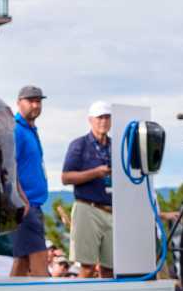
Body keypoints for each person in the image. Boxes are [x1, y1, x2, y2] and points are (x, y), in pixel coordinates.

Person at [59, 100, 116, 279]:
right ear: (90, 120)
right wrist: (95, 173)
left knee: (110, 268)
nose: (103, 121)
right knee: (87, 267)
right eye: (100, 117)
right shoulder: (79, 144)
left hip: (112, 210)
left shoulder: (116, 146)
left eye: (107, 117)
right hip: (87, 207)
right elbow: (66, 177)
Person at [9, 85, 50, 277]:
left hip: (34, 204)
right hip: (27, 205)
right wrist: (22, 198)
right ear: (19, 103)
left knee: (22, 261)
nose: (35, 105)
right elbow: (9, 166)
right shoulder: (16, 129)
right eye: (31, 101)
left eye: (38, 101)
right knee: (39, 258)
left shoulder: (30, 129)